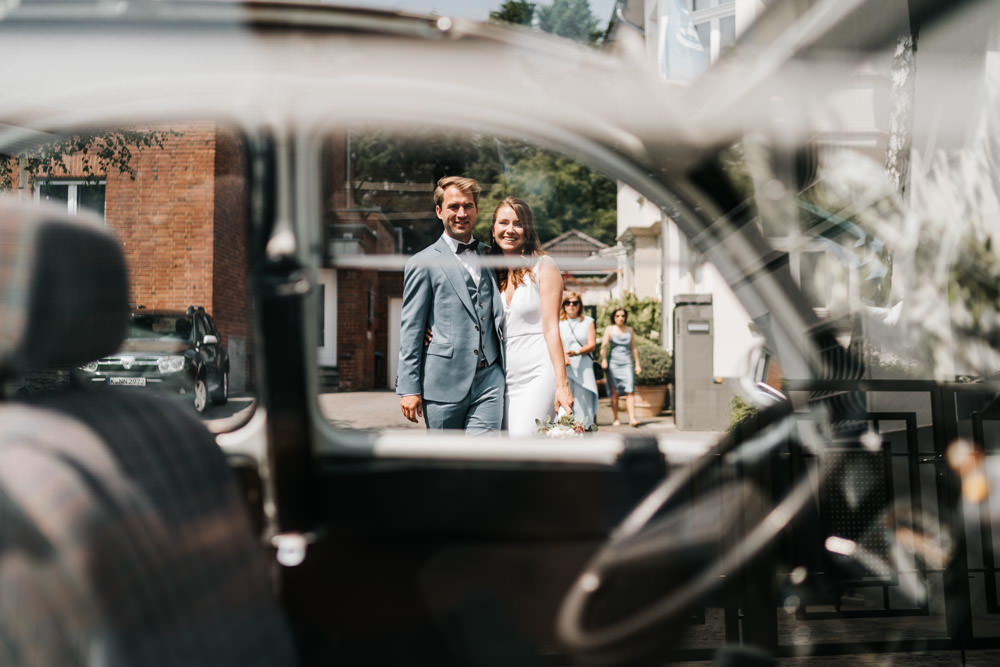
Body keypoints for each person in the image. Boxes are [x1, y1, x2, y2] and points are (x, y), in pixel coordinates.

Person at [396, 176, 506, 433]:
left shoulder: (491, 255)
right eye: (453, 206)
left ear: (476, 210)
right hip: (442, 382)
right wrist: (410, 388)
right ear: (439, 211)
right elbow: (411, 329)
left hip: (489, 378)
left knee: (484, 460)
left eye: (468, 206)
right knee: (448, 464)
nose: (461, 213)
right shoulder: (423, 262)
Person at [489, 196, 573, 435]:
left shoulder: (544, 265)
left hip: (537, 373)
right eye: (503, 222)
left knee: (522, 443)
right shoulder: (489, 271)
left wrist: (562, 385)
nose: (510, 230)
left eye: (518, 223)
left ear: (528, 229)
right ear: (493, 227)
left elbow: (552, 328)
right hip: (498, 378)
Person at [559, 292, 599, 428]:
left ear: (580, 306)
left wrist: (576, 352)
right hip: (564, 366)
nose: (571, 306)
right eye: (567, 303)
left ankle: (585, 430)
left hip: (583, 366)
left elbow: (592, 344)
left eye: (575, 303)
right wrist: (563, 356)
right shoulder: (558, 323)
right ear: (563, 305)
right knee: (566, 402)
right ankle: (565, 433)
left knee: (584, 402)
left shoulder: (588, 321)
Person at [600, 307, 642, 427]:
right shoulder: (610, 329)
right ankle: (616, 418)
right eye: (618, 316)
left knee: (630, 391)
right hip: (614, 363)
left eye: (623, 316)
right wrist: (603, 359)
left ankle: (632, 418)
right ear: (614, 317)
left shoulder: (629, 330)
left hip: (627, 363)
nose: (620, 318)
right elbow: (604, 346)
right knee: (615, 392)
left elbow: (633, 348)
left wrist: (637, 364)